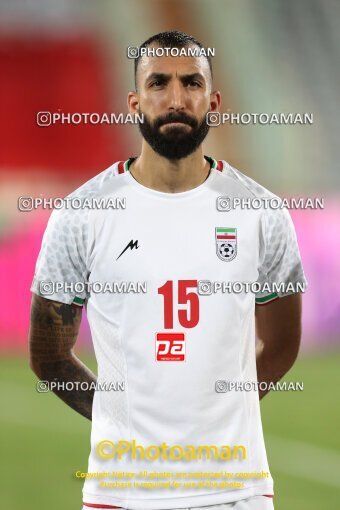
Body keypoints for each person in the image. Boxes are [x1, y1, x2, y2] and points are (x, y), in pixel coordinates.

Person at [29, 30, 307, 510]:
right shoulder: (82, 215)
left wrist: (218, 411)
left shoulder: (260, 212)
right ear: (135, 101)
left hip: (236, 492)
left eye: (191, 83)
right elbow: (48, 356)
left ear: (213, 100)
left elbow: (282, 345)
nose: (176, 98)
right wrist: (123, 421)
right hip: (121, 493)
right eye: (159, 83)